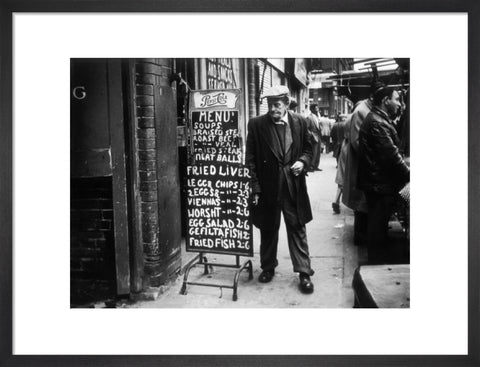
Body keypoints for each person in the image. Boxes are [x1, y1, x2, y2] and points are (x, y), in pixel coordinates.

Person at [245, 85, 315, 294]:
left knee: (297, 228)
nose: (272, 109)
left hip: (292, 187)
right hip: (268, 187)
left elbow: (309, 148)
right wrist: (255, 187)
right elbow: (250, 159)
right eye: (269, 105)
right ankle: (268, 267)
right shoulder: (257, 125)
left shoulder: (300, 122)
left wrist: (303, 161)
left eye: (277, 104)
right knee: (268, 228)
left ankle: (304, 272)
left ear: (286, 104)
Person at [358, 86, 410, 264]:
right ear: (385, 100)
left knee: (377, 225)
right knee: (377, 227)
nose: (399, 104)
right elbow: (392, 157)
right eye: (396, 99)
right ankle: (376, 265)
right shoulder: (377, 123)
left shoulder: (379, 119)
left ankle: (377, 261)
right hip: (379, 184)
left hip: (378, 183)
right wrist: (410, 174)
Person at [342, 88, 376, 246]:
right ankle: (360, 238)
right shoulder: (361, 111)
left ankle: (362, 236)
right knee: (360, 204)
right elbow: (357, 142)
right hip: (360, 166)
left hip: (364, 165)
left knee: (363, 204)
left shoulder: (367, 109)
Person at [331, 114, 350, 214]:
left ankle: (336, 200)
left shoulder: (337, 124)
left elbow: (332, 134)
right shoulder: (351, 122)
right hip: (349, 149)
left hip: (342, 146)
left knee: (341, 175)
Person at [306, 104, 322, 172]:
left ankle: (316, 166)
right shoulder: (309, 117)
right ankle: (311, 166)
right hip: (313, 136)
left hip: (318, 136)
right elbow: (306, 128)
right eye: (316, 108)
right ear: (312, 109)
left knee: (318, 152)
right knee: (313, 152)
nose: (317, 109)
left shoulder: (317, 116)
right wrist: (311, 135)